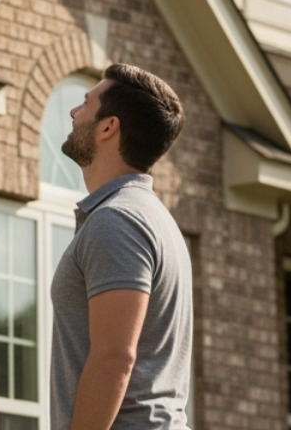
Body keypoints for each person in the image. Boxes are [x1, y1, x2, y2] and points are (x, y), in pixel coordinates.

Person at [51, 63, 193, 429]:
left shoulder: (117, 220)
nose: (73, 112)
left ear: (108, 127)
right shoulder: (151, 218)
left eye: (85, 104)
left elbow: (114, 357)